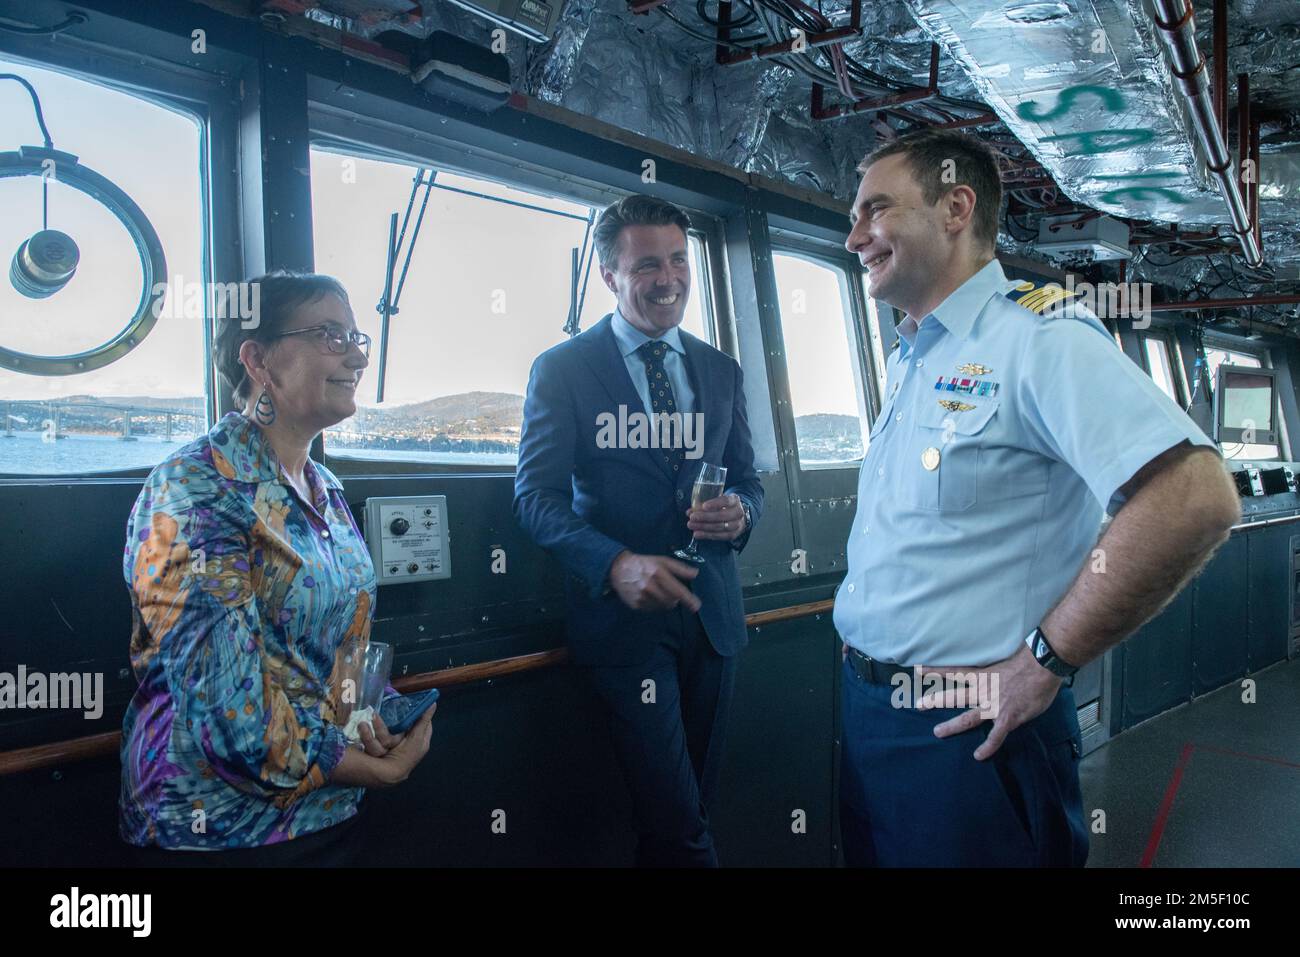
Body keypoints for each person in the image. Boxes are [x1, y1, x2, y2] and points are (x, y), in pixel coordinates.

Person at [835, 129, 1241, 867]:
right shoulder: (912, 357)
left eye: (875, 210)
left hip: (970, 732)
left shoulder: (1036, 336)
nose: (854, 234)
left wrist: (1044, 662)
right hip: (868, 713)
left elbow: (1194, 495)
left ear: (956, 206)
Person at [120, 271, 435, 865]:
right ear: (258, 359)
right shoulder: (195, 489)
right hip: (218, 829)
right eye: (331, 336)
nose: (359, 356)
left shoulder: (326, 489)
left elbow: (342, 648)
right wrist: (372, 769)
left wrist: (378, 714)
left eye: (357, 337)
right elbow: (226, 709)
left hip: (328, 809)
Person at [514, 195, 763, 866]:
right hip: (624, 629)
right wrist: (614, 562)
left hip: (714, 619)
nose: (669, 278)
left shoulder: (721, 369)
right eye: (648, 263)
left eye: (680, 260)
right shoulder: (562, 369)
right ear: (609, 276)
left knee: (686, 812)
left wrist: (741, 512)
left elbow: (751, 482)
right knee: (678, 818)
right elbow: (534, 497)